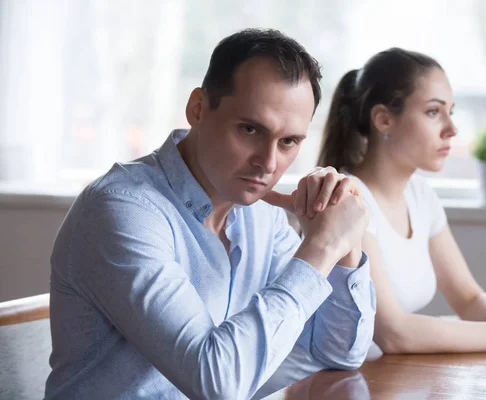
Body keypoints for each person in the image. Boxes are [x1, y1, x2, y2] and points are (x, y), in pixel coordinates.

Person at [45, 29, 375, 400]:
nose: (268, 163)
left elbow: (338, 353)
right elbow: (216, 383)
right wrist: (321, 247)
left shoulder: (260, 215)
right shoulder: (122, 211)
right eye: (250, 129)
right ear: (198, 109)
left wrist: (346, 241)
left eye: (288, 142)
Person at [316, 47, 486, 354]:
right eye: (433, 111)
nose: (452, 129)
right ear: (383, 120)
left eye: (450, 112)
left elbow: (469, 299)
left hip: (380, 381)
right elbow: (394, 333)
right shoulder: (348, 201)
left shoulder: (420, 196)